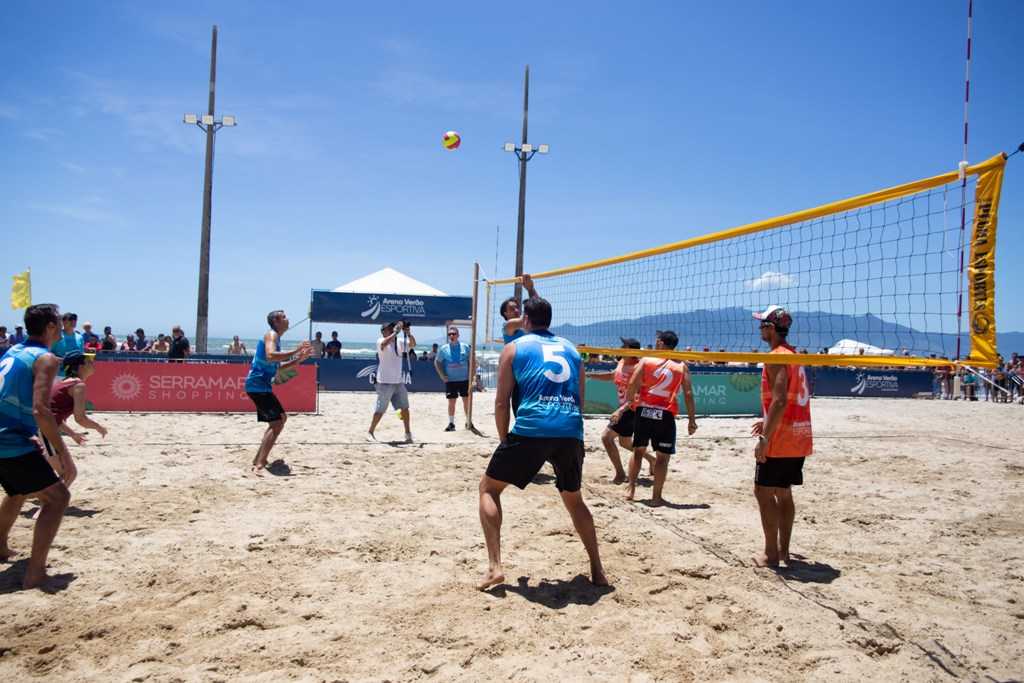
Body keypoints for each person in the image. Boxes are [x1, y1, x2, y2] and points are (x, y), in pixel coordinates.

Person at [478, 297, 608, 591]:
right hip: (570, 429)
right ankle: (598, 570)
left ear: (525, 319)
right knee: (574, 500)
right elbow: (580, 399)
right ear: (550, 319)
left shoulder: (514, 347)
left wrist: (504, 440)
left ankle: (495, 567)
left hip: (532, 428)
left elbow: (501, 402)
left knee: (488, 488)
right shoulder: (573, 350)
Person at [0, 304, 74, 590]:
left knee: (17, 491)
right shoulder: (46, 358)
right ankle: (36, 573)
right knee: (57, 498)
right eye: (59, 323)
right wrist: (61, 452)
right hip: (9, 439)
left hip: (7, 435)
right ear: (52, 327)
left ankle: (1, 547)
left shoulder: (13, 351)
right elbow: (41, 410)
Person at [750, 305, 813, 569]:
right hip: (799, 434)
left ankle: (770, 555)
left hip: (781, 437)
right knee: (784, 494)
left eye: (762, 324)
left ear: (771, 328)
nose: (759, 329)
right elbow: (785, 399)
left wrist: (765, 436)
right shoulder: (793, 355)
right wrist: (765, 420)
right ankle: (784, 552)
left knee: (763, 492)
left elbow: (778, 401)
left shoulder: (776, 356)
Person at [613, 331, 697, 505]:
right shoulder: (682, 366)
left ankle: (631, 490)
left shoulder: (646, 361)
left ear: (660, 342)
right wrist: (691, 420)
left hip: (644, 411)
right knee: (662, 458)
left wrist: (628, 404)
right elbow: (688, 394)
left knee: (638, 452)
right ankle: (656, 497)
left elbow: (632, 386)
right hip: (665, 414)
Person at [245, 310, 312, 474]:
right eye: (284, 317)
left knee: (278, 419)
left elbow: (276, 366)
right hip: (257, 385)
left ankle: (258, 458)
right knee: (277, 422)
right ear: (276, 320)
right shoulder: (271, 335)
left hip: (260, 386)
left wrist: (298, 360)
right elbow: (270, 356)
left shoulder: (276, 338)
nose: (288, 319)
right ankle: (260, 464)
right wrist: (296, 351)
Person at [587, 337, 653, 484]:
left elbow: (638, 394)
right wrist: (591, 375)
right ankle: (651, 459)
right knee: (625, 443)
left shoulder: (639, 368)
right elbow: (612, 376)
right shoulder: (621, 362)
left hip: (632, 409)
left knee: (606, 437)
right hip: (625, 408)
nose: (620, 347)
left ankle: (620, 474)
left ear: (631, 350)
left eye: (624, 345)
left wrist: (621, 410)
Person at [48, 351, 108, 457]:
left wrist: (72, 434)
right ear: (81, 366)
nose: (92, 363)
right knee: (67, 471)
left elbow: (53, 416)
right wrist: (99, 427)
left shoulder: (65, 382)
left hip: (43, 426)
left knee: (65, 470)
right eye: (89, 361)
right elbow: (80, 419)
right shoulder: (78, 385)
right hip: (45, 429)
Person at [367, 321, 416, 443]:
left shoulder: (399, 342)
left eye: (392, 328)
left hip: (398, 381)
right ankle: (370, 432)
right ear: (384, 331)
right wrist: (396, 332)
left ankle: (407, 433)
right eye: (389, 328)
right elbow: (385, 343)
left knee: (405, 408)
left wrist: (408, 333)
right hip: (384, 382)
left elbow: (413, 345)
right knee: (380, 410)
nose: (392, 329)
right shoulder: (380, 341)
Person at [435, 326, 471, 431]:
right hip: (451, 380)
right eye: (450, 334)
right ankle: (451, 423)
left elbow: (472, 360)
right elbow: (437, 362)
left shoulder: (465, 347)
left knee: (466, 401)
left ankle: (468, 421)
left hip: (464, 379)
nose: (451, 336)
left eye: (454, 334)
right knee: (451, 402)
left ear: (458, 335)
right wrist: (442, 375)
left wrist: (472, 376)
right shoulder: (444, 348)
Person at [498, 274, 538, 344]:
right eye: (511, 309)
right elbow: (535, 308)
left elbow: (537, 306)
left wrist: (531, 289)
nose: (516, 310)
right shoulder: (508, 326)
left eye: (517, 307)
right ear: (505, 314)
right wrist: (530, 289)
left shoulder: (523, 324)